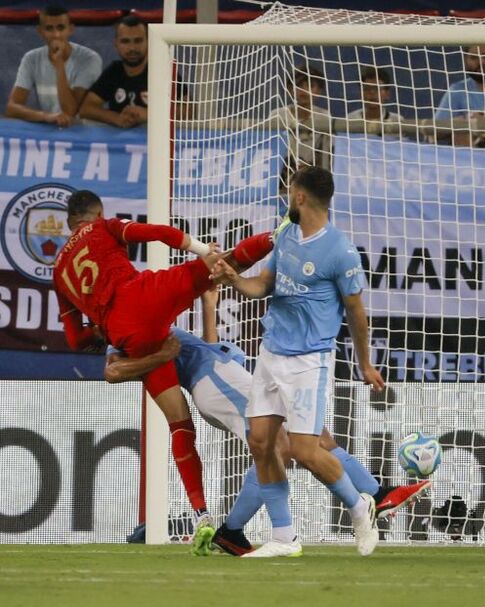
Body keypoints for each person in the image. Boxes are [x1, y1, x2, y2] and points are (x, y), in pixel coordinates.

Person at [105, 287, 431, 556]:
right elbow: (114, 370)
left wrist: (209, 306)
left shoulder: (144, 324)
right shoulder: (127, 331)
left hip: (222, 376)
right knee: (280, 446)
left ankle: (376, 494)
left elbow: (199, 349)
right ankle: (355, 504)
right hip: (217, 382)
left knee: (315, 434)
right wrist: (161, 357)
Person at [213, 165, 385, 558]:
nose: (288, 197)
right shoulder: (286, 234)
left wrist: (365, 363)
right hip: (271, 353)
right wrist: (233, 280)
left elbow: (358, 313)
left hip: (309, 361)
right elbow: (264, 284)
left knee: (307, 451)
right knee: (260, 442)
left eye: (291, 192)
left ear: (301, 197)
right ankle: (284, 536)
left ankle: (361, 508)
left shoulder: (340, 250)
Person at [54, 190, 222, 555]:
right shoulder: (105, 228)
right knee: (215, 268)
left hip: (124, 333)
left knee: (179, 423)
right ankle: (270, 240)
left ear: (70, 223)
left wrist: (99, 331)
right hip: (142, 297)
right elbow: (159, 233)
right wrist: (200, 249)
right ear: (96, 214)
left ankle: (202, 514)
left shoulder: (58, 272)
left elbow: (74, 340)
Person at [5, 5, 102, 127]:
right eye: (49, 29)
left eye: (61, 28)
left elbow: (71, 112)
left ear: (70, 29)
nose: (56, 34)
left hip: (82, 132)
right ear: (40, 32)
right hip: (50, 131)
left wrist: (60, 67)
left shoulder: (90, 58)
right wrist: (46, 116)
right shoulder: (31, 58)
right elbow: (12, 108)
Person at [79, 15, 149, 128]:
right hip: (121, 143)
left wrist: (149, 115)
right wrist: (116, 118)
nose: (132, 48)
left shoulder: (162, 71)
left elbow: (187, 111)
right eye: (125, 41)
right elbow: (86, 108)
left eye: (138, 41)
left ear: (148, 42)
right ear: (116, 44)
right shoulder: (114, 71)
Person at [270, 66, 332, 189]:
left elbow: (328, 153)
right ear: (289, 89)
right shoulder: (277, 115)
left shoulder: (325, 117)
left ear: (319, 91)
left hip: (311, 178)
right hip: (279, 176)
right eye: (299, 85)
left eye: (310, 86)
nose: (304, 90)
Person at [347, 66, 404, 136]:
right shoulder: (350, 119)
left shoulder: (397, 121)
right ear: (361, 93)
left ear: (387, 94)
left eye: (377, 88)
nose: (372, 92)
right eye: (367, 88)